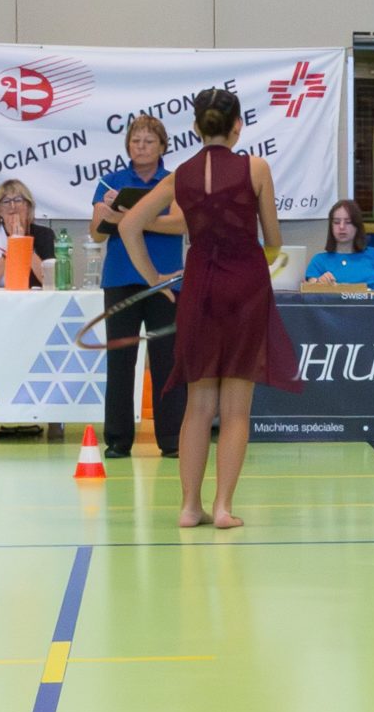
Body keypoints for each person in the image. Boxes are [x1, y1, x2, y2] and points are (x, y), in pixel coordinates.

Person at [118, 87, 297, 531]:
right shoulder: (256, 168)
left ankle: (188, 507)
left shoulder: (180, 174)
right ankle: (222, 508)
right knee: (235, 409)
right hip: (245, 286)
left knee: (197, 405)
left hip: (199, 286)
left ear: (196, 127)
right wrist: (265, 254)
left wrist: (154, 278)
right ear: (237, 125)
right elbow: (273, 240)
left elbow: (128, 225)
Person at [90, 114, 187, 460]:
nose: (141, 147)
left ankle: (172, 438)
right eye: (135, 141)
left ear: (162, 146)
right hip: (120, 279)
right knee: (120, 361)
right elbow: (96, 232)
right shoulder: (110, 181)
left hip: (166, 280)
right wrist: (111, 213)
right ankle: (118, 439)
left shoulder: (174, 182)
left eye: (148, 141)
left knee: (167, 360)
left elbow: (180, 224)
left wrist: (130, 219)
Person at [303, 199, 374, 291]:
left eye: (348, 222)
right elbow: (311, 292)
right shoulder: (318, 261)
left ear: (357, 226)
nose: (342, 227)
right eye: (336, 222)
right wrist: (319, 284)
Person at [0, 180, 52, 287]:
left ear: (28, 206)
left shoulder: (44, 234)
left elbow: (50, 281)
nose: (12, 206)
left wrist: (24, 245)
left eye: (18, 200)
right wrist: (12, 248)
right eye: (6, 201)